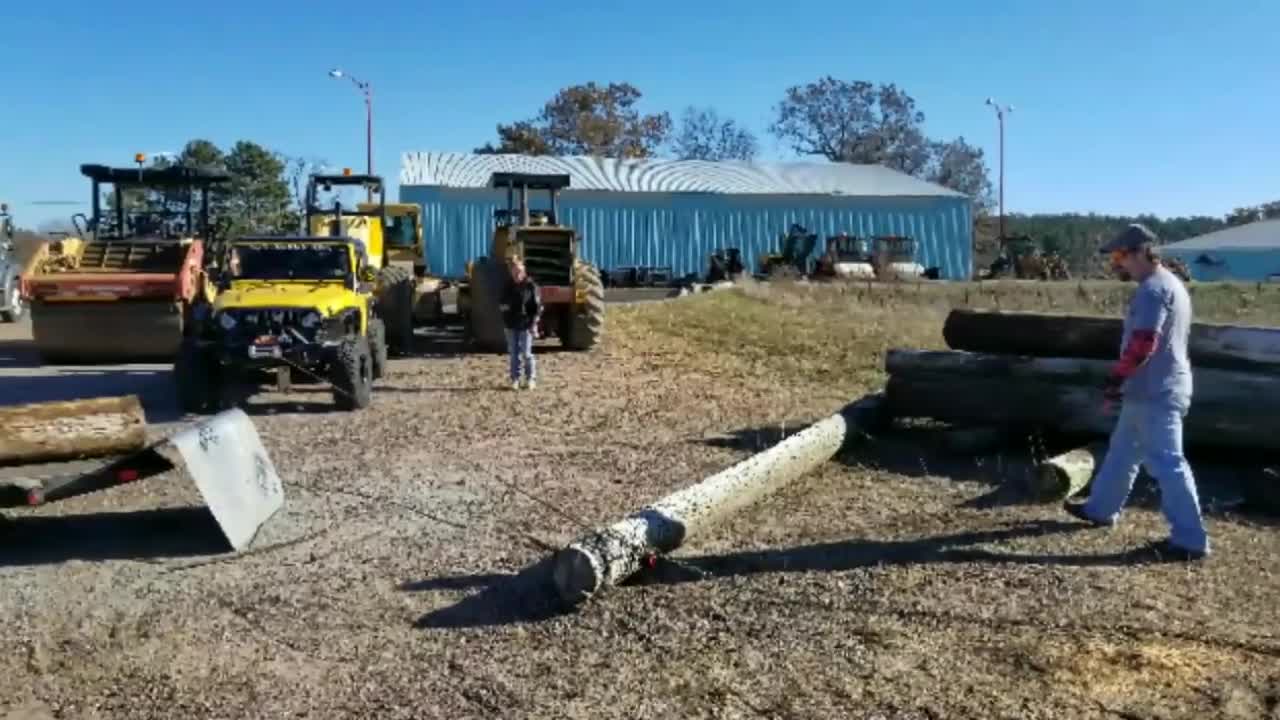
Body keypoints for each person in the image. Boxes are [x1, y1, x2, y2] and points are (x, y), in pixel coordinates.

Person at [1062, 223, 1209, 560]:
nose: (1117, 263)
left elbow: (1144, 343)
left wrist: (1116, 379)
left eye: (1120, 255)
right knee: (1124, 451)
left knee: (1167, 463)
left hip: (1154, 388)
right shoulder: (1170, 284)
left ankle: (1190, 540)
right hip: (1152, 386)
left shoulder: (1152, 290)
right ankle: (1100, 509)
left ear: (1142, 252)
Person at [499, 258, 542, 390]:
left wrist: (534, 324)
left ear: (524, 272)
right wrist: (506, 309)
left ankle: (530, 379)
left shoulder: (531, 286)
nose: (517, 274)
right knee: (513, 353)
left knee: (526, 353)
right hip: (511, 325)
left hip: (526, 324)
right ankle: (515, 379)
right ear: (511, 272)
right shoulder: (507, 286)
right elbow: (502, 304)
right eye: (514, 272)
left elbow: (537, 307)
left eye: (519, 272)